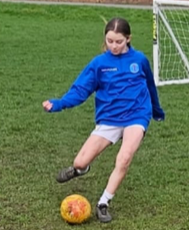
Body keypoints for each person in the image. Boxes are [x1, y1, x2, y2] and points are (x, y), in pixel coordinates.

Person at [42, 17, 165, 223]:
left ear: (128, 39)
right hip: (109, 118)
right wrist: (59, 103)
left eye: (118, 41)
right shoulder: (99, 64)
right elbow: (81, 90)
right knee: (80, 161)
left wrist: (156, 109)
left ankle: (103, 203)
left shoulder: (140, 60)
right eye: (109, 41)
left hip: (137, 115)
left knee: (124, 157)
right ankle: (80, 169)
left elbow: (150, 86)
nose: (114, 46)